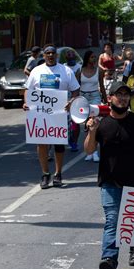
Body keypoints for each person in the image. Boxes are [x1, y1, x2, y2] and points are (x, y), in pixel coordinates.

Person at [84, 81, 134, 269]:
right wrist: (92, 131)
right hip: (109, 181)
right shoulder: (101, 123)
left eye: (126, 95)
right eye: (119, 94)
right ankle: (109, 259)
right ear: (110, 98)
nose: (124, 98)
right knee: (112, 220)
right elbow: (89, 150)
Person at [23, 45, 80, 189]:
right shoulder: (36, 71)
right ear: (43, 55)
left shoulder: (66, 71)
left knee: (58, 144)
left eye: (52, 53)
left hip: (59, 114)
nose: (50, 55)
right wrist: (26, 103)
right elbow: (27, 90)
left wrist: (71, 102)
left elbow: (75, 91)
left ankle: (58, 174)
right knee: (41, 143)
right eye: (47, 53)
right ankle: (45, 173)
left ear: (56, 55)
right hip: (40, 113)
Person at [80, 50, 107, 162]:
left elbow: (101, 85)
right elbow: (76, 86)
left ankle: (95, 151)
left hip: (95, 97)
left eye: (95, 57)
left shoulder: (99, 71)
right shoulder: (80, 71)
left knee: (94, 122)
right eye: (92, 57)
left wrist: (106, 99)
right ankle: (89, 151)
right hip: (83, 98)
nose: (94, 59)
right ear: (87, 58)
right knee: (87, 124)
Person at [64, 49, 83, 152]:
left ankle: (74, 142)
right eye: (68, 57)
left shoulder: (79, 68)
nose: (70, 59)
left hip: (76, 97)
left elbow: (81, 82)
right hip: (64, 98)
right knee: (64, 122)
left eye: (72, 57)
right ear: (66, 58)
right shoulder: (63, 67)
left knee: (75, 122)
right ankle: (66, 138)